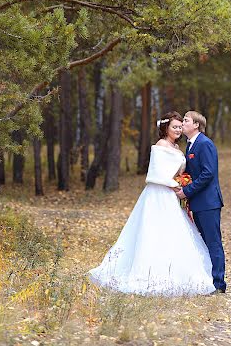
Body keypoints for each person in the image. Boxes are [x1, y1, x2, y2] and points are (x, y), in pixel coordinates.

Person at [88, 111, 215, 296]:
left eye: (180, 126)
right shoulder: (161, 145)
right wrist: (175, 185)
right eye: (175, 127)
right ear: (166, 128)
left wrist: (183, 184)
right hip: (159, 194)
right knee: (154, 232)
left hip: (172, 195)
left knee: (172, 233)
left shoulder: (179, 148)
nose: (178, 130)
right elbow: (156, 174)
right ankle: (147, 275)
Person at [174, 111, 226, 294]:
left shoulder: (204, 144)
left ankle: (219, 284)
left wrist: (186, 191)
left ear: (196, 125)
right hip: (198, 202)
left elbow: (208, 173)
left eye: (186, 120)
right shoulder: (190, 145)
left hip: (208, 202)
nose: (182, 123)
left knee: (213, 242)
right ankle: (208, 280)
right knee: (203, 242)